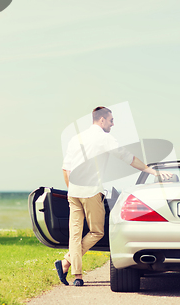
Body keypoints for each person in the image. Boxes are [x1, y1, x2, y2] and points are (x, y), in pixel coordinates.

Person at [55, 106, 171, 286]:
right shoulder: (104, 138)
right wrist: (151, 171)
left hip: (74, 192)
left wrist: (71, 189)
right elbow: (128, 158)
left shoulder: (75, 139)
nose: (113, 123)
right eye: (111, 120)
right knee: (97, 232)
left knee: (75, 236)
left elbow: (65, 168)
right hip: (91, 192)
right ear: (101, 120)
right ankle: (66, 262)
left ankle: (76, 274)